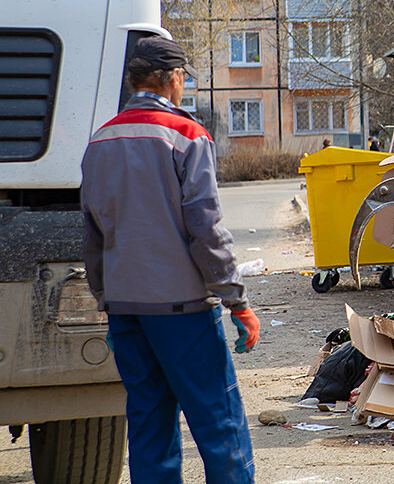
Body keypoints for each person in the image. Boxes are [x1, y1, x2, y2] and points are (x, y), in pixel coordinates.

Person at [81, 36, 259, 484]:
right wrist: (236, 300)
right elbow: (206, 228)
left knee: (149, 427)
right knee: (220, 424)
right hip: (182, 312)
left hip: (126, 310)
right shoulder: (187, 135)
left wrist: (106, 299)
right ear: (173, 79)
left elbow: (92, 234)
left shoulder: (100, 140)